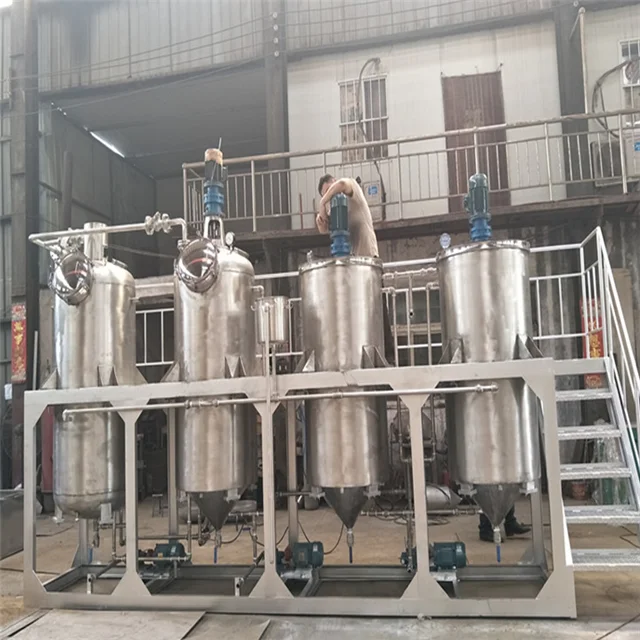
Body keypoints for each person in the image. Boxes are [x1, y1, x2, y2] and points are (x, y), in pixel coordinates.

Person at [316, 174, 393, 359]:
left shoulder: (352, 191)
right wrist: (322, 219)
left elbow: (343, 184)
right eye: (325, 194)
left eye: (329, 190)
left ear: (334, 183)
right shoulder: (335, 210)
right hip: (352, 268)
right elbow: (326, 231)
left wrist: (322, 202)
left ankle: (387, 355)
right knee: (354, 313)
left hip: (368, 261)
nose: (330, 196)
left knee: (377, 310)